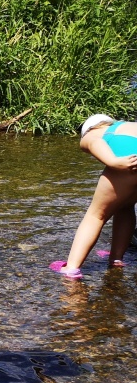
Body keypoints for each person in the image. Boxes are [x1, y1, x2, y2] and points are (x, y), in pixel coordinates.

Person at [49, 114, 137, 279]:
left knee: (96, 215)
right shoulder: (127, 125)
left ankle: (71, 268)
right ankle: (116, 258)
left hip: (128, 161)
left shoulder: (94, 133)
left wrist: (113, 161)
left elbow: (94, 143)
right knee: (126, 207)